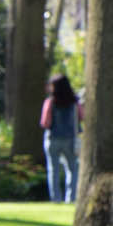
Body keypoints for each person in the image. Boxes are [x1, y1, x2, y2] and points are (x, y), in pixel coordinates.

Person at [42, 72, 81, 205]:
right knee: (72, 169)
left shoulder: (50, 102)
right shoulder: (75, 102)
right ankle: (71, 197)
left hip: (53, 139)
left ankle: (56, 198)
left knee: (53, 170)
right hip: (70, 139)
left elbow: (45, 122)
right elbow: (82, 116)